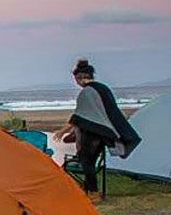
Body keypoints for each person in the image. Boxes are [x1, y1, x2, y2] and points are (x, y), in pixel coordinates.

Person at [52, 59, 141, 200]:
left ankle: (92, 192)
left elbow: (79, 116)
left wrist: (62, 131)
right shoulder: (103, 88)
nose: (76, 82)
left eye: (76, 79)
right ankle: (88, 191)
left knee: (86, 161)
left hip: (93, 134)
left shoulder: (87, 92)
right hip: (104, 133)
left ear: (79, 77)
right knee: (91, 162)